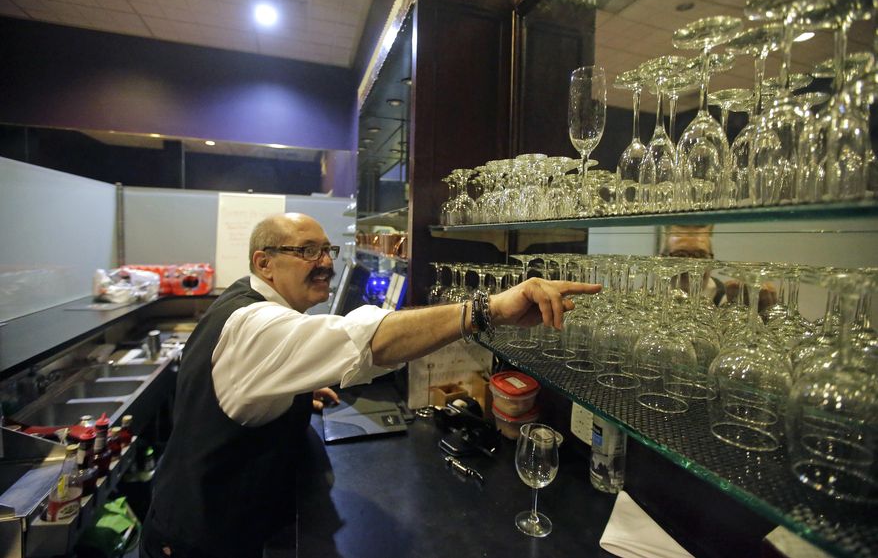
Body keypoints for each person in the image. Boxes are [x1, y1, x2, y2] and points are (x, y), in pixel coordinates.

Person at [140, 212, 600, 558]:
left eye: (326, 251)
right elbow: (370, 340)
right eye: (306, 252)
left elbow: (246, 379)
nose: (324, 263)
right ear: (264, 263)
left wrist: (290, 390)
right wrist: (487, 310)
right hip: (199, 539)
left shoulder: (243, 305)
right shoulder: (257, 324)